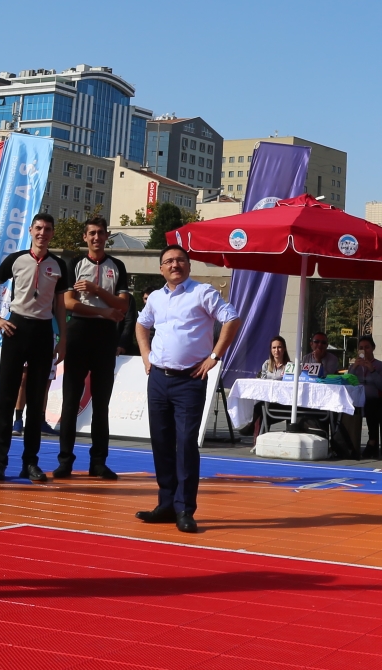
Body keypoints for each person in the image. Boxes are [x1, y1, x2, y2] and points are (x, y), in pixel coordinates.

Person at [134, 243, 240, 533]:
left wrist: (214, 357)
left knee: (185, 444)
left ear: (189, 265)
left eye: (180, 260)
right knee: (161, 442)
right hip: (158, 378)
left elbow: (232, 319)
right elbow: (141, 325)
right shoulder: (155, 297)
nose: (174, 265)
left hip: (190, 380)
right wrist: (145, 356)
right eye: (168, 261)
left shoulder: (202, 292)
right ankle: (166, 504)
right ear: (161, 268)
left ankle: (184, 509)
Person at [0, 212, 67, 481]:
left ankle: (30, 462)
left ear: (53, 233)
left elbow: (60, 305)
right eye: (39, 228)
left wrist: (62, 338)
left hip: (43, 332)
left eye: (48, 229)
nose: (43, 233)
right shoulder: (16, 259)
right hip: (16, 330)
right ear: (31, 230)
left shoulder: (59, 264)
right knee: (6, 399)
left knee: (35, 403)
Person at [55, 216, 129, 480]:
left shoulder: (117, 265)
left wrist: (96, 290)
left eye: (100, 233)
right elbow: (68, 303)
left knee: (101, 402)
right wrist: (104, 311)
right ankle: (65, 461)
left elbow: (123, 306)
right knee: (71, 400)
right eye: (91, 233)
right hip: (78, 332)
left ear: (106, 236)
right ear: (85, 237)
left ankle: (98, 462)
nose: (96, 237)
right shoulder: (74, 264)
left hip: (105, 337)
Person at [347, 334, 382, 458]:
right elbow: (347, 382)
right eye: (361, 347)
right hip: (356, 399)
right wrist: (354, 368)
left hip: (375, 399)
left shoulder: (381, 366)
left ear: (373, 348)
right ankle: (348, 442)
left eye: (367, 347)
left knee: (371, 405)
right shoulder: (354, 366)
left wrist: (372, 370)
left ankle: (372, 442)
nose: (364, 350)